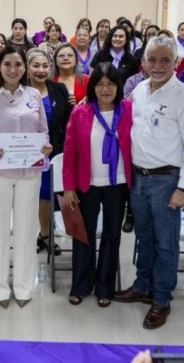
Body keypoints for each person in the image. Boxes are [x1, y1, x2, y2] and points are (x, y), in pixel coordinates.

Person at [113, 35, 184, 330]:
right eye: (152, 59)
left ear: (176, 62)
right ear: (143, 62)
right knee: (144, 237)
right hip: (139, 178)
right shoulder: (139, 90)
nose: (157, 66)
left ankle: (162, 298)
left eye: (165, 60)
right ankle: (143, 285)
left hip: (167, 180)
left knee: (166, 244)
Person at [0, 46, 52, 308]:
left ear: (24, 67)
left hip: (29, 173)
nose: (13, 69)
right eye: (8, 64)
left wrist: (45, 147)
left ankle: (23, 287)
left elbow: (43, 132)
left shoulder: (33, 96)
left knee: (27, 231)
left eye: (18, 64)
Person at [62, 63, 132, 307]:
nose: (105, 89)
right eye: (100, 83)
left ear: (118, 87)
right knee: (84, 236)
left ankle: (105, 286)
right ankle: (81, 285)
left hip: (118, 184)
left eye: (111, 84)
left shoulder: (129, 110)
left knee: (112, 236)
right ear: (92, 87)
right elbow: (69, 152)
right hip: (86, 184)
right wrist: (68, 187)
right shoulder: (81, 112)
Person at [25, 48, 72, 256]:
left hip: (54, 152)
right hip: (25, 152)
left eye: (45, 66)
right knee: (28, 196)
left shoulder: (59, 89)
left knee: (46, 196)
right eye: (36, 65)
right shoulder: (18, 90)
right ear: (27, 68)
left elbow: (69, 119)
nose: (41, 70)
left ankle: (45, 234)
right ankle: (31, 234)